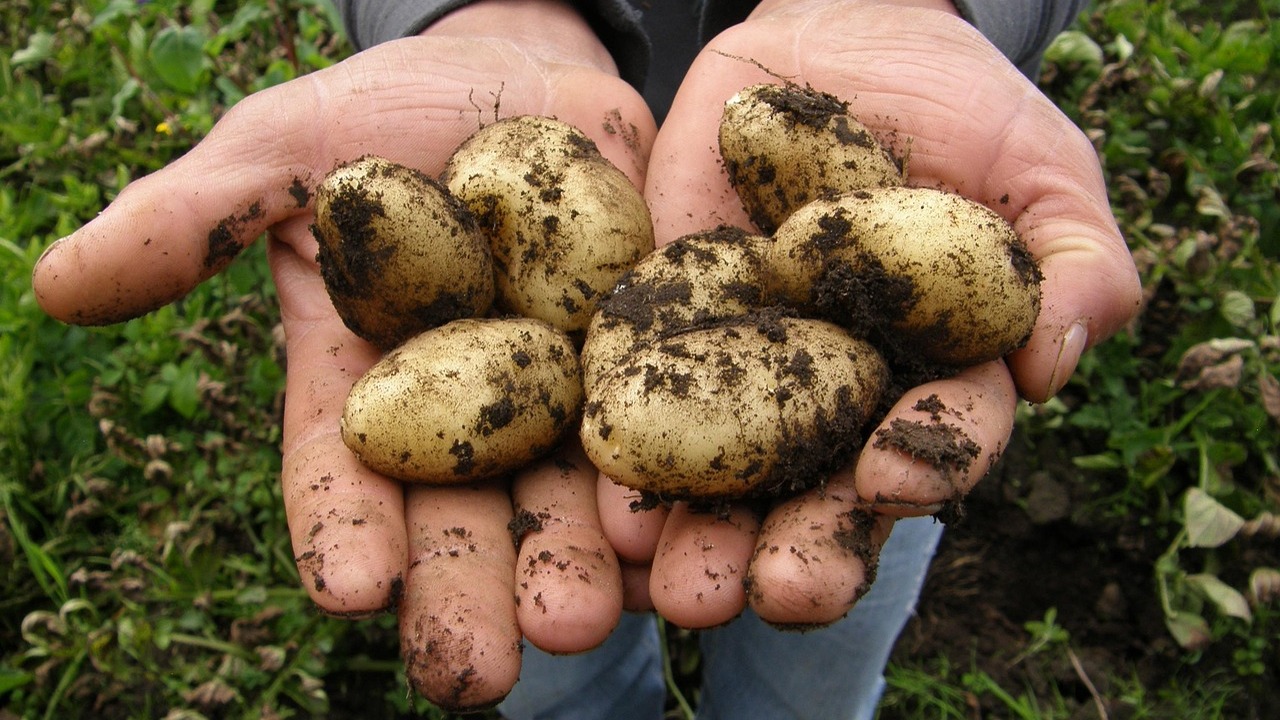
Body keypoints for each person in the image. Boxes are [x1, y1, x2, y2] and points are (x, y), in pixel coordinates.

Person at [31, 0, 1141, 716]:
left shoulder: (801, 281)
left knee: (827, 611)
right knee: (552, 635)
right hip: (565, 193)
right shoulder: (561, 321)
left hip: (846, 362)